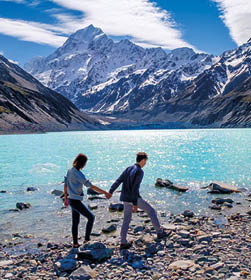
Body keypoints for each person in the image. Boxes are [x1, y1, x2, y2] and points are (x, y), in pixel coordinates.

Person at [109, 152, 169, 249]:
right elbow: (135, 188)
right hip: (133, 198)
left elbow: (118, 181)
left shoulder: (128, 168)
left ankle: (123, 242)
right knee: (151, 211)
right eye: (145, 161)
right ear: (142, 160)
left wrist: (110, 191)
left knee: (126, 219)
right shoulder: (139, 171)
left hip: (125, 198)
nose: (145, 163)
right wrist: (135, 203)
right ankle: (159, 232)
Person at [64, 153, 111, 248]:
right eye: (85, 163)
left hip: (71, 199)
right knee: (91, 217)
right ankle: (86, 239)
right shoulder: (79, 174)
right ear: (83, 163)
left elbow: (65, 184)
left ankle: (75, 243)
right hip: (76, 200)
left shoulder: (70, 170)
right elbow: (91, 186)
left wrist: (65, 198)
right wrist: (105, 192)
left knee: (75, 222)